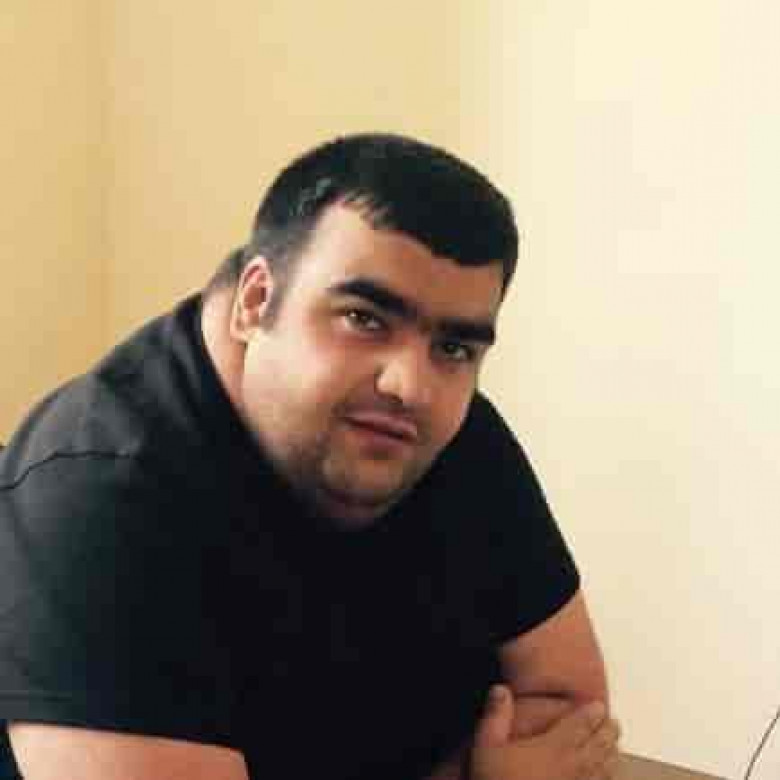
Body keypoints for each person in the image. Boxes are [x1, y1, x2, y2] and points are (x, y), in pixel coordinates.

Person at [0, 133, 620, 780]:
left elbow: (571, 713)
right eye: (365, 318)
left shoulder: (447, 432)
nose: (410, 385)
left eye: (455, 348)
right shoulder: (95, 496)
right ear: (255, 301)